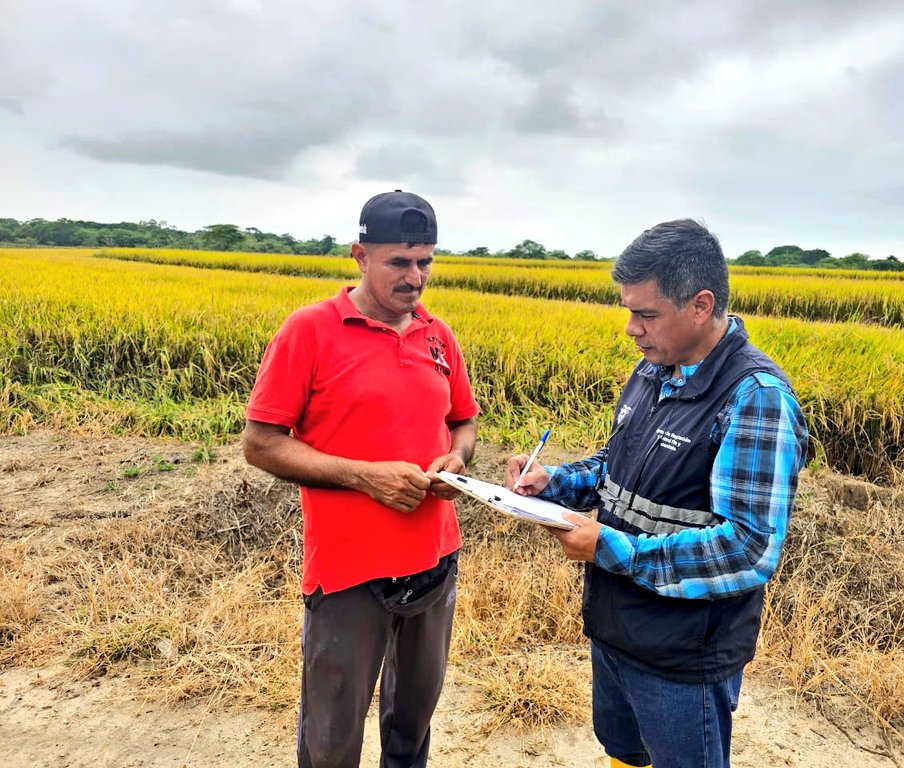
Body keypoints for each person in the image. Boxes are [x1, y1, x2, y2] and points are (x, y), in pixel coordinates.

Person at [506, 219, 808, 768]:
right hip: (616, 624)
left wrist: (609, 548)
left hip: (683, 653)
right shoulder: (654, 369)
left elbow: (748, 548)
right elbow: (614, 467)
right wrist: (556, 482)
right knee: (621, 747)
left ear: (699, 305)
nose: (631, 329)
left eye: (645, 314)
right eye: (629, 311)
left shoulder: (755, 399)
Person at [243, 190, 478, 768]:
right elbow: (261, 444)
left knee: (412, 727)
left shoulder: (436, 334)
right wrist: (364, 477)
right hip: (348, 573)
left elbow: (464, 421)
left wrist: (456, 460)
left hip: (435, 559)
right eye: (399, 261)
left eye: (425, 261)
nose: (415, 276)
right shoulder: (310, 331)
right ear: (360, 255)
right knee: (332, 738)